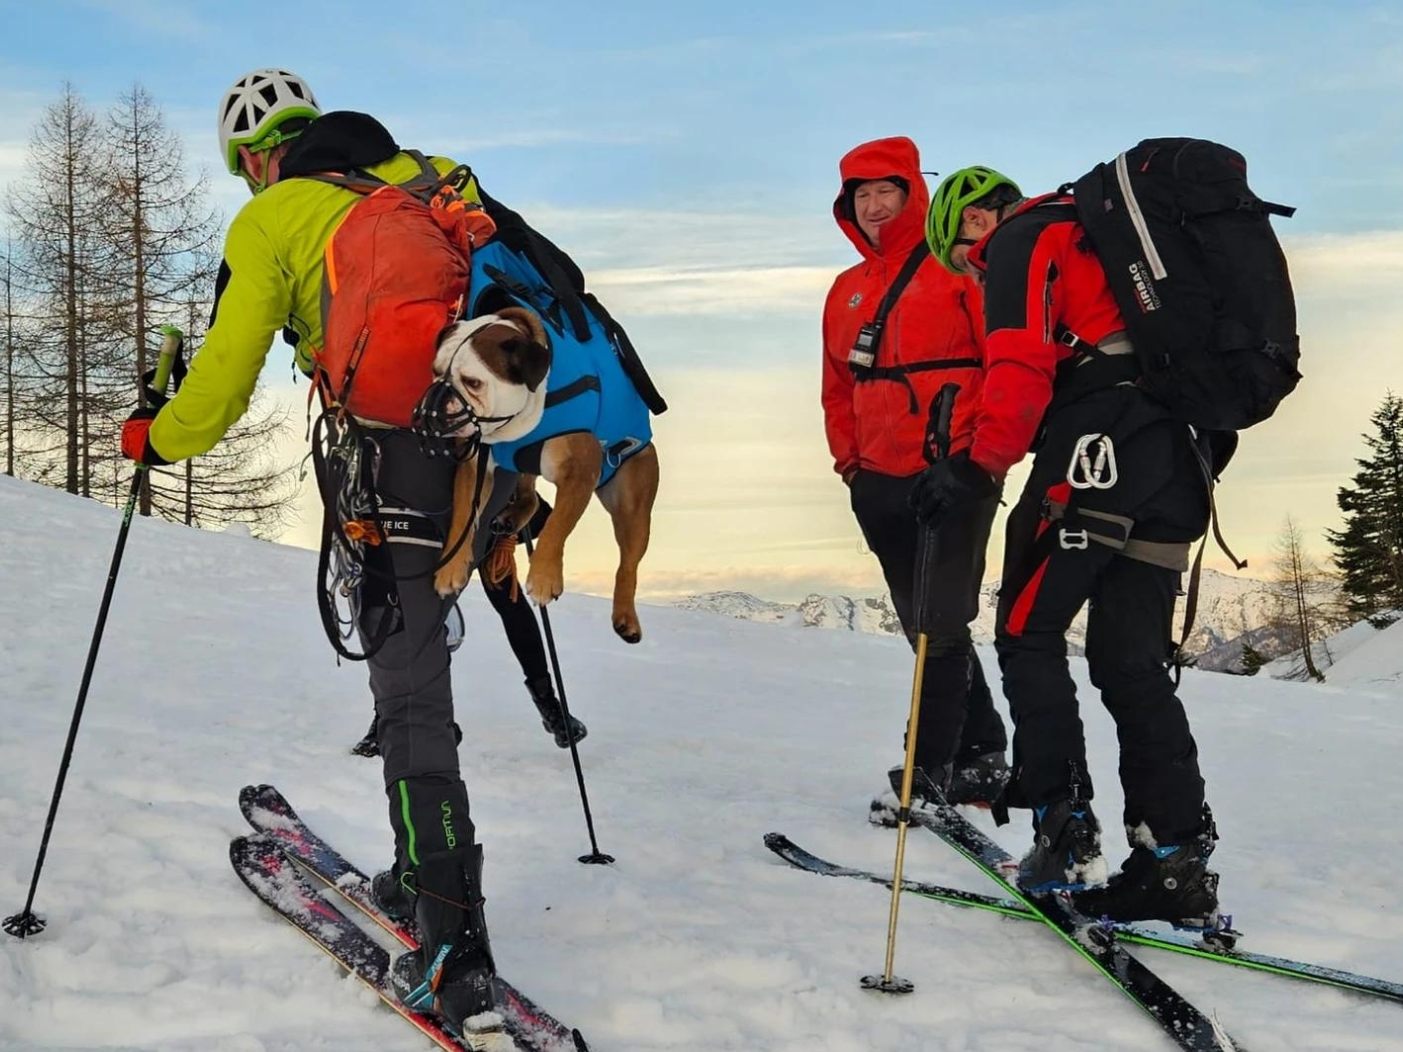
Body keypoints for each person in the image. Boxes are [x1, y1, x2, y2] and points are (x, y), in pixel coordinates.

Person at [119, 69, 504, 1034]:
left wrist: (154, 437)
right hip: (484, 453)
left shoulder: (274, 216)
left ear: (253, 157)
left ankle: (456, 936)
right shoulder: (424, 179)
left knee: (410, 683)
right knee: (407, 657)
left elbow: (222, 377)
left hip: (386, 454)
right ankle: (421, 872)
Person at [913, 166, 1222, 926]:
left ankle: (1062, 826)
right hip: (1177, 453)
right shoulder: (1094, 239)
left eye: (959, 257)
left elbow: (1017, 365)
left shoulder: (1020, 242)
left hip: (1096, 442)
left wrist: (975, 465)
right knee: (1128, 663)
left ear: (973, 226)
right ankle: (1172, 859)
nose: (968, 272)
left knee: (1025, 631)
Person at [820, 137, 1009, 809]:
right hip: (876, 480)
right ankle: (982, 751)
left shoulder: (959, 266)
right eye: (860, 196)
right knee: (917, 621)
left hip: (953, 471)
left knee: (940, 623)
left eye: (884, 192)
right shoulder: (845, 289)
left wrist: (973, 457)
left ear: (912, 194)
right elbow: (836, 386)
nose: (872, 207)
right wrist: (850, 465)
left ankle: (924, 773)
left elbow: (1000, 363)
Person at [351, 497, 587, 758]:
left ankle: (549, 706)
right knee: (422, 616)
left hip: (480, 518)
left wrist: (511, 528)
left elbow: (526, 491)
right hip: (443, 519)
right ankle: (398, 714)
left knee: (500, 602)